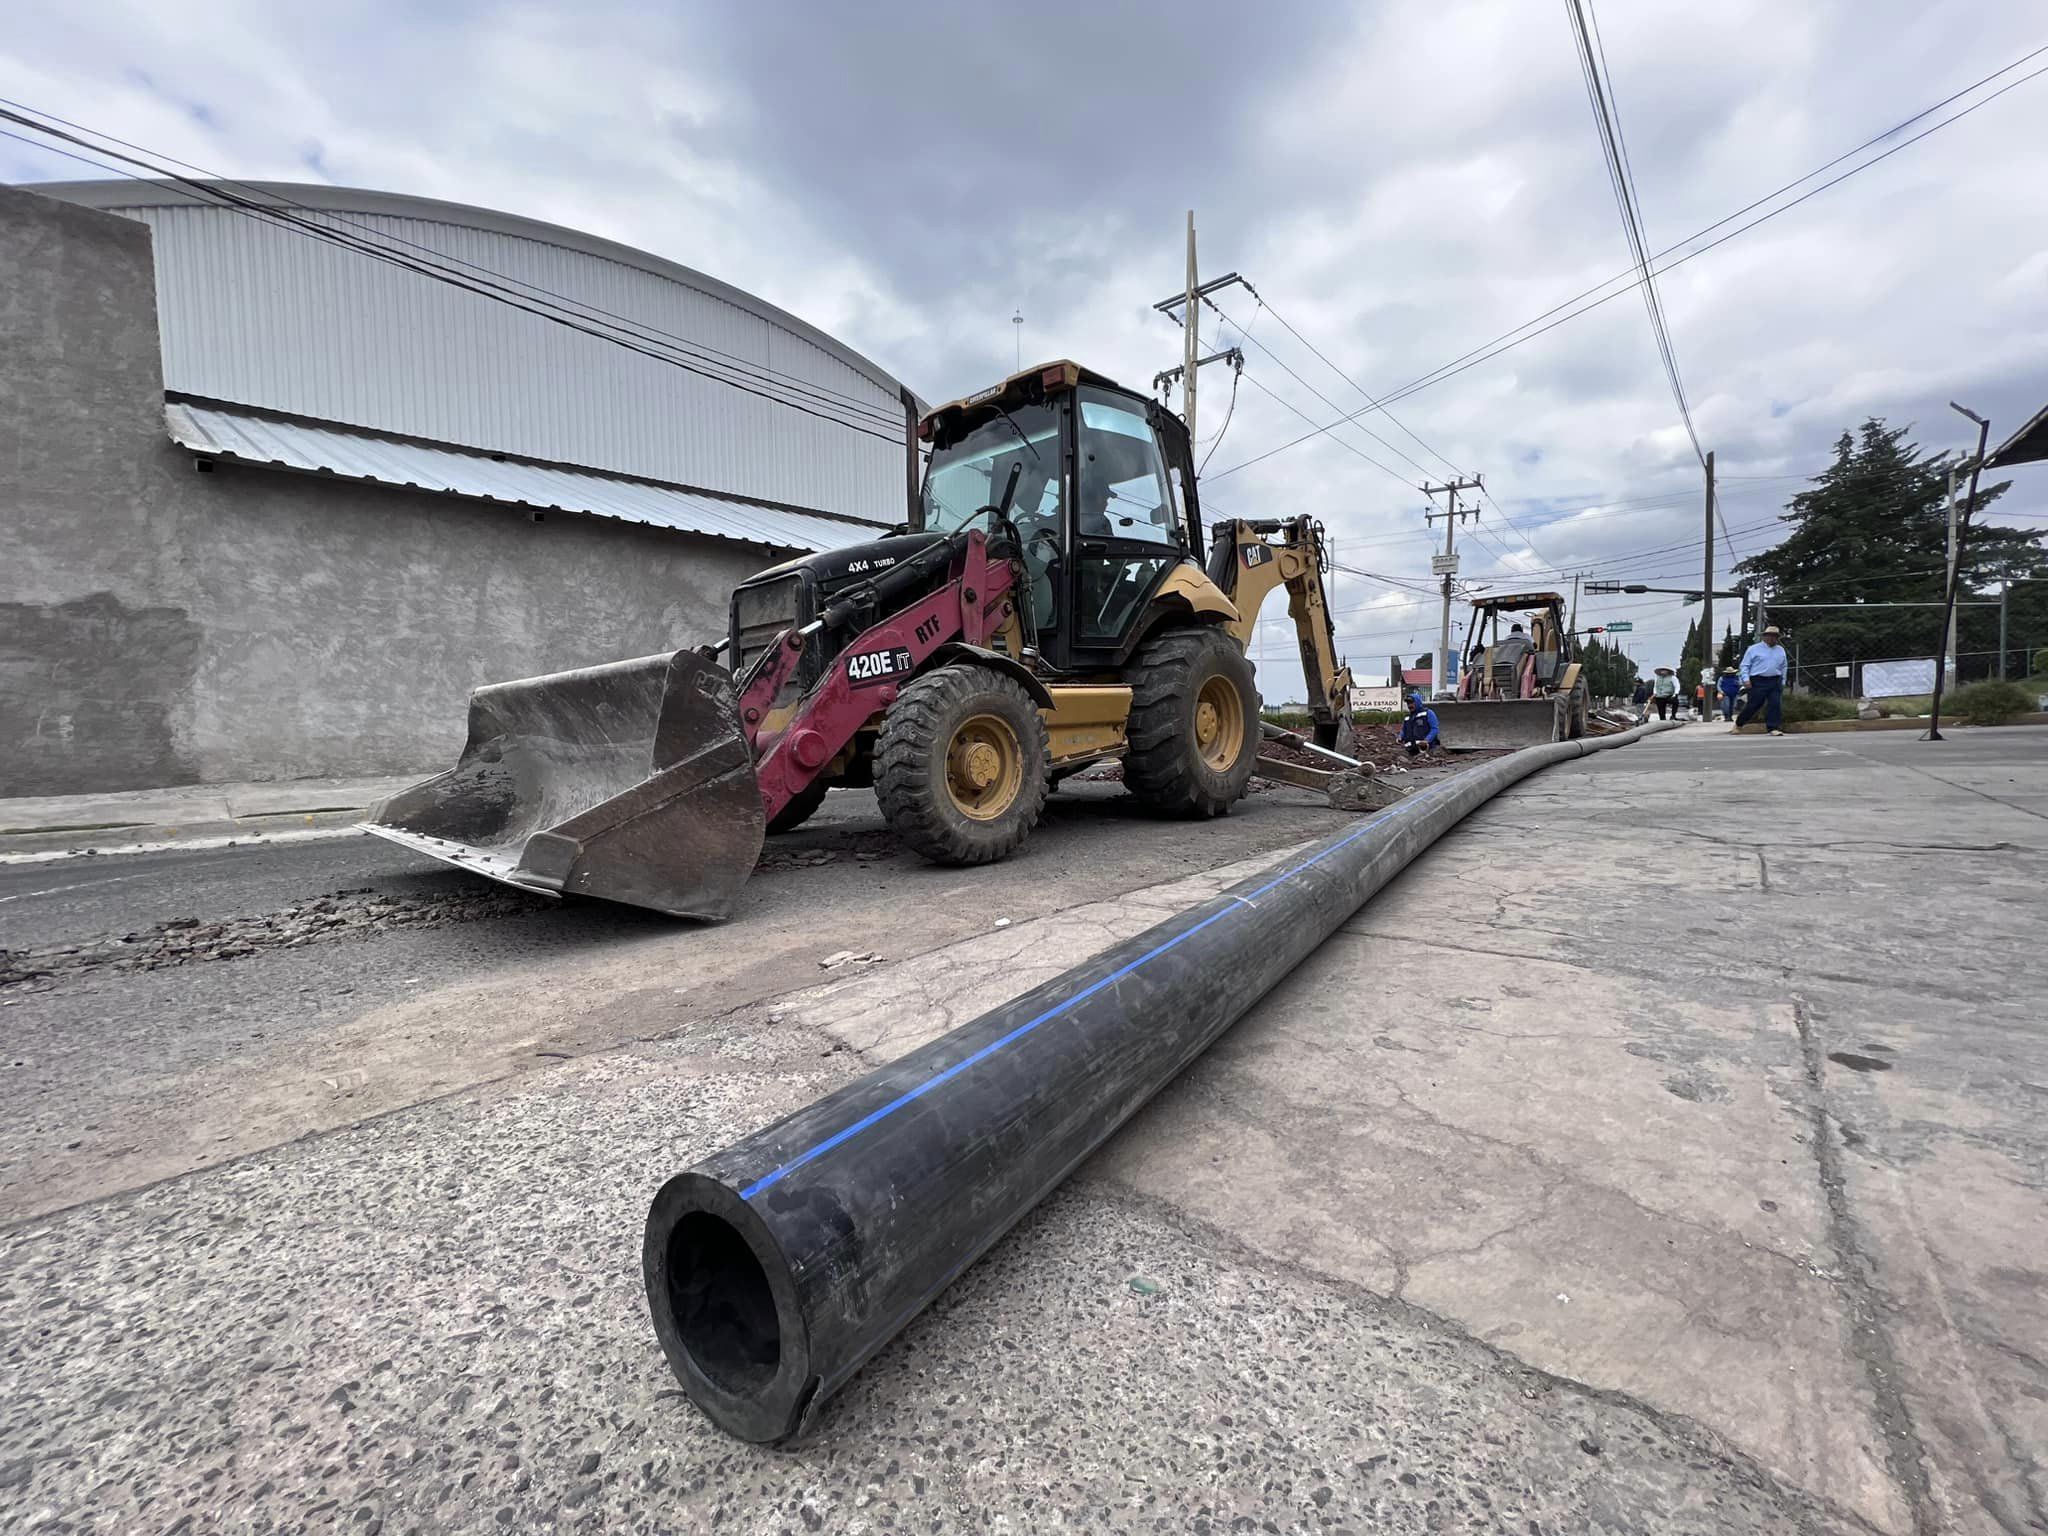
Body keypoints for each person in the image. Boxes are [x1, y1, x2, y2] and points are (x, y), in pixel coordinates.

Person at [1735, 625, 1791, 736]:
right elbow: (1745, 665)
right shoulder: (1753, 649)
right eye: (1769, 636)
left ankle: (1773, 728)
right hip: (1758, 680)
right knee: (1754, 705)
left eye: (1774, 636)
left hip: (1775, 680)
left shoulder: (1780, 650)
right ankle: (1739, 724)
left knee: (1775, 704)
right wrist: (1745, 679)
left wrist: (1783, 681)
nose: (1772, 638)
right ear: (1764, 637)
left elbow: (1784, 666)